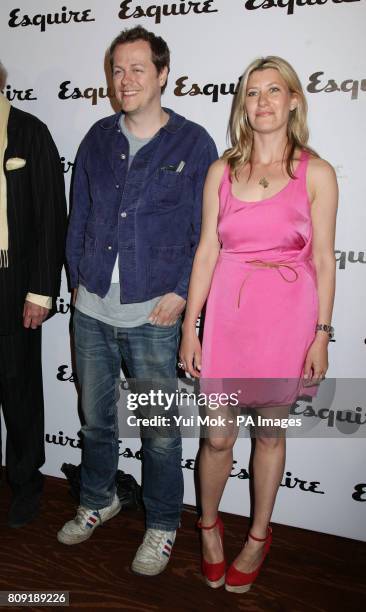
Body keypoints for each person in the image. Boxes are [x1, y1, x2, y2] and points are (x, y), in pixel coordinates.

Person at [59, 26, 217, 576]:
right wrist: (78, 279)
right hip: (93, 308)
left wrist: (179, 291)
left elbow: (207, 230)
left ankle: (163, 524)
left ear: (162, 74)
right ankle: (99, 497)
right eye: (118, 70)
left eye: (137, 70)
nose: (125, 80)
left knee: (159, 433)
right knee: (94, 421)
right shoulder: (97, 138)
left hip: (155, 313)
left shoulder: (194, 143)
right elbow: (78, 214)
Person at [179, 56, 338, 593]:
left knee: (269, 436)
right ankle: (208, 528)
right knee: (218, 437)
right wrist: (190, 327)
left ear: (294, 100)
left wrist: (321, 333)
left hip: (286, 324)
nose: (263, 101)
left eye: (275, 90)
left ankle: (259, 535)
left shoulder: (316, 172)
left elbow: (323, 260)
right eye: (253, 92)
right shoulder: (221, 172)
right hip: (227, 319)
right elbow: (206, 252)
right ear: (242, 104)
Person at [0, 62, 67, 528]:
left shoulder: (29, 132)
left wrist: (42, 290)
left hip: (13, 278)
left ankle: (25, 485)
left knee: (18, 386)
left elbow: (51, 216)